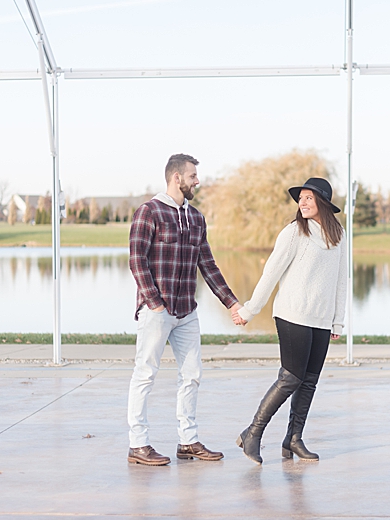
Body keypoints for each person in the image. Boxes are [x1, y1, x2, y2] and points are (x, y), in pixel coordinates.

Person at [126, 153, 243, 466]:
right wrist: (154, 301)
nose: (197, 182)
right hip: (156, 310)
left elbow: (207, 264)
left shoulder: (196, 218)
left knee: (191, 376)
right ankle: (138, 445)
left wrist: (231, 302)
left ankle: (188, 441)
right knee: (146, 374)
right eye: (193, 176)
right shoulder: (148, 211)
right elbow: (137, 260)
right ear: (176, 178)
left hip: (187, 311)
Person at [232, 177, 347, 464]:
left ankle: (293, 439)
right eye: (301, 198)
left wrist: (337, 321)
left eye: (309, 198)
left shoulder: (338, 235)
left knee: (309, 382)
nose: (303, 203)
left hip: (321, 319)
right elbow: (270, 273)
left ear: (323, 203)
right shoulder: (294, 232)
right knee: (290, 378)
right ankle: (253, 433)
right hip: (292, 314)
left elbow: (341, 281)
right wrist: (249, 310)